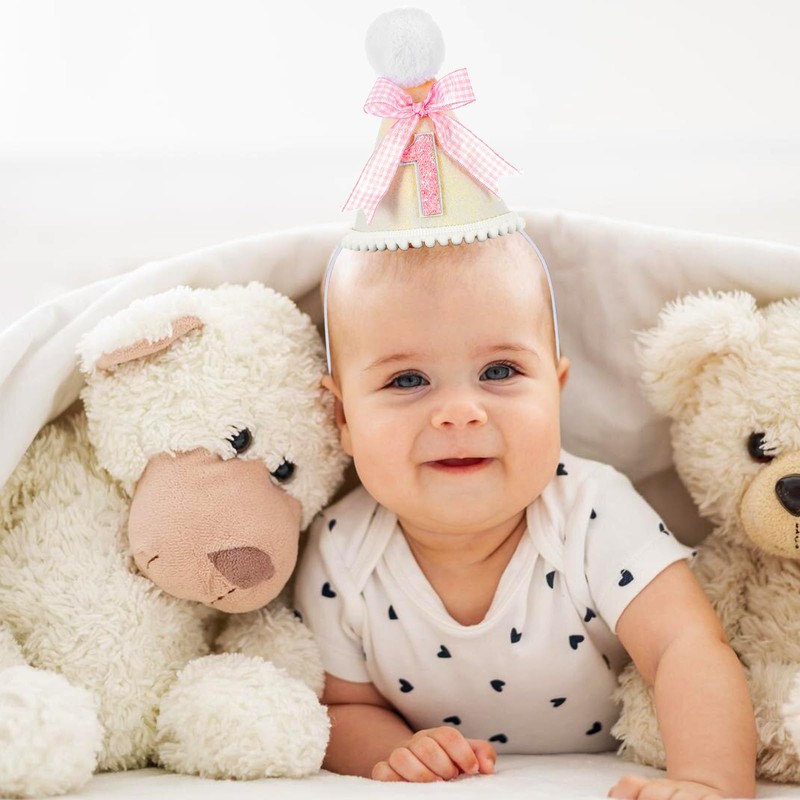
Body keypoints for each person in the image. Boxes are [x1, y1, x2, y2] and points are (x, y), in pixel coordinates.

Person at [294, 10, 757, 799]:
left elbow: (687, 647)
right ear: (340, 418)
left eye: (501, 371)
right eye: (407, 382)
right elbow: (342, 702)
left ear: (559, 387)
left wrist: (709, 782)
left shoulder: (589, 516)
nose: (458, 413)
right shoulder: (342, 552)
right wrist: (390, 752)